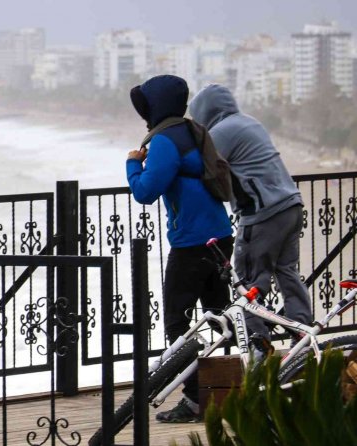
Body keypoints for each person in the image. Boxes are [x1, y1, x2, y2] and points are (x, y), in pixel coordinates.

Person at [127, 75, 234, 423]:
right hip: (220, 234)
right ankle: (225, 393)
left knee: (178, 322)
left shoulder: (163, 141)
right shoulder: (192, 130)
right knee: (218, 316)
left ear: (155, 107)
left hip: (191, 244)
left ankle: (193, 399)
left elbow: (145, 191)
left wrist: (132, 163)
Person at [189, 84, 313, 350]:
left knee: (247, 283)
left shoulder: (221, 132)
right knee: (286, 271)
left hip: (263, 214)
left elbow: (201, 168)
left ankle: (258, 345)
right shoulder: (249, 122)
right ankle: (302, 333)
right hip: (291, 205)